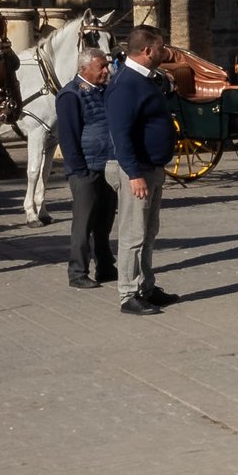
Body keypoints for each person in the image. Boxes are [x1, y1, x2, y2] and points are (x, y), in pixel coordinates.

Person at [105, 25, 177, 316]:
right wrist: (133, 174)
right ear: (148, 51)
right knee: (133, 235)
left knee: (149, 232)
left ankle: (146, 287)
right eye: (160, 47)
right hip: (136, 171)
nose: (164, 52)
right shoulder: (125, 84)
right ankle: (128, 294)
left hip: (152, 167)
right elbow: (120, 134)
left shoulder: (146, 79)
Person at [55, 46, 117, 289]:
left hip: (107, 164)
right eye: (101, 66)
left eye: (106, 65)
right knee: (84, 223)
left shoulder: (102, 91)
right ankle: (78, 271)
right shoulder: (71, 95)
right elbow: (68, 137)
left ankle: (105, 266)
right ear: (84, 68)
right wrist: (79, 170)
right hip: (86, 169)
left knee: (105, 221)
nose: (106, 70)